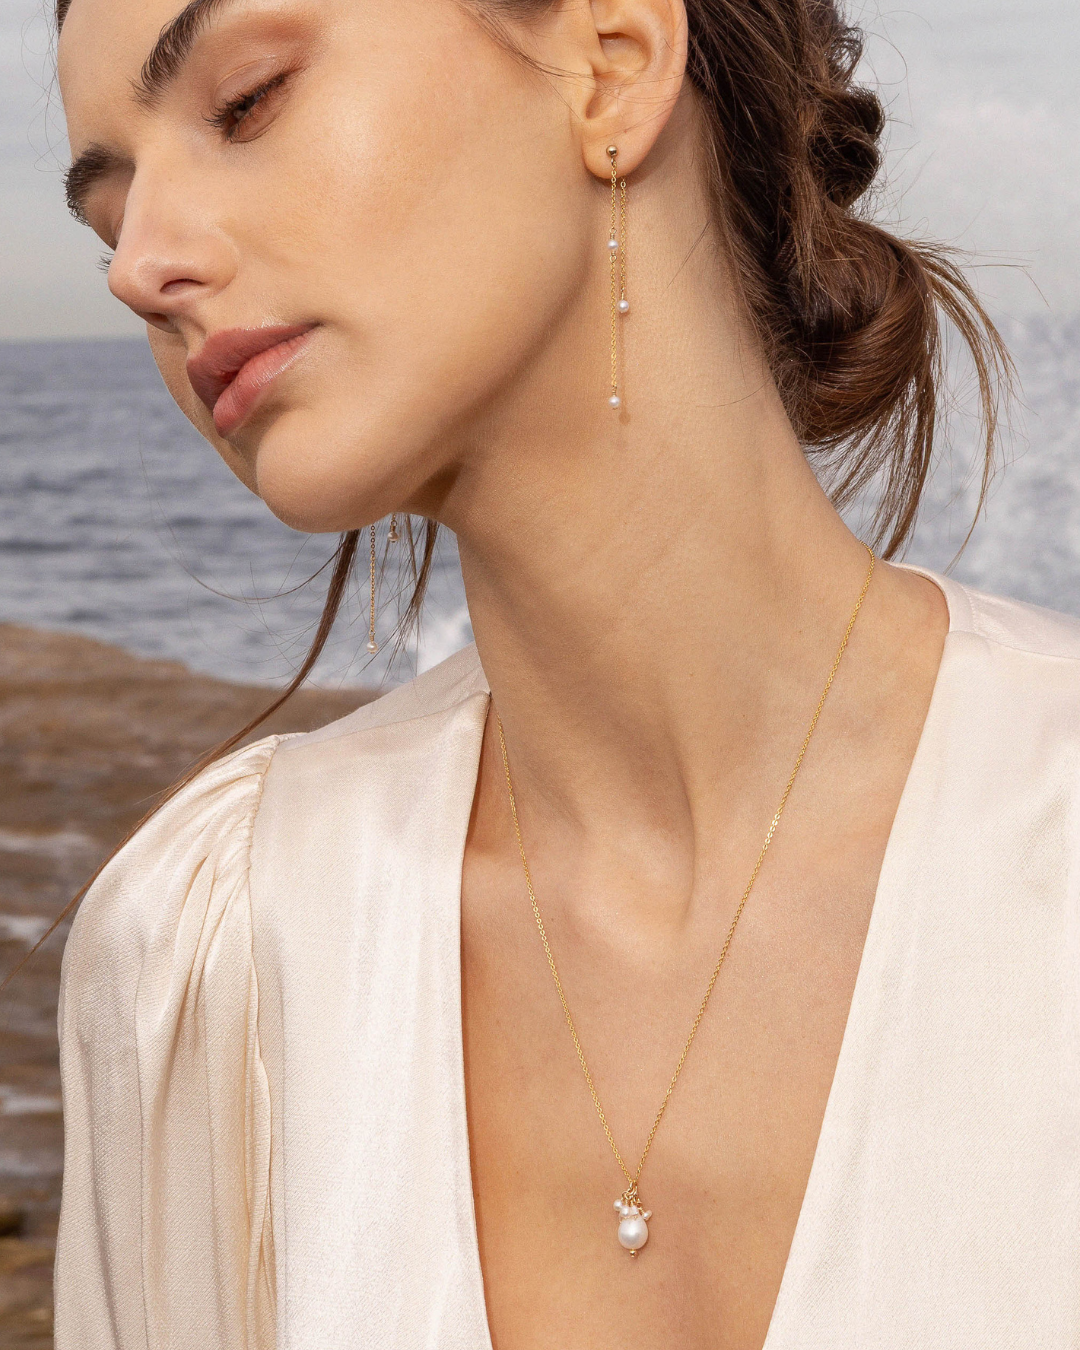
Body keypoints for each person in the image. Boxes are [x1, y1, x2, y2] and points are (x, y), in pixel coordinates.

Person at [50, 0, 1080, 1345]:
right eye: (109, 209)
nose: (140, 267)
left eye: (248, 103)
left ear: (611, 66)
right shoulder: (207, 959)